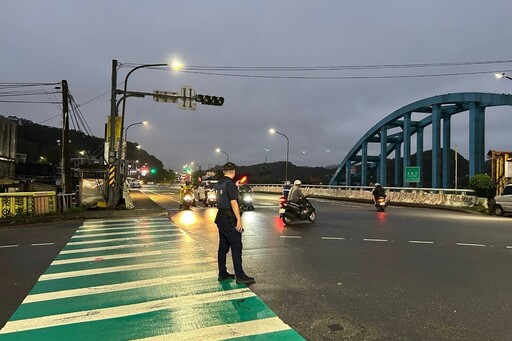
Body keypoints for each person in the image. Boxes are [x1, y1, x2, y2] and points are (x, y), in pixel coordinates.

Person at [214, 162, 255, 285]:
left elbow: (224, 196)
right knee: (236, 246)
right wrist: (239, 220)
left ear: (223, 172)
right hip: (229, 218)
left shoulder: (219, 184)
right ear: (234, 172)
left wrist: (234, 186)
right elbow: (233, 202)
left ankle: (222, 273)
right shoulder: (230, 184)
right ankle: (240, 275)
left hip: (220, 217)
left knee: (223, 246)